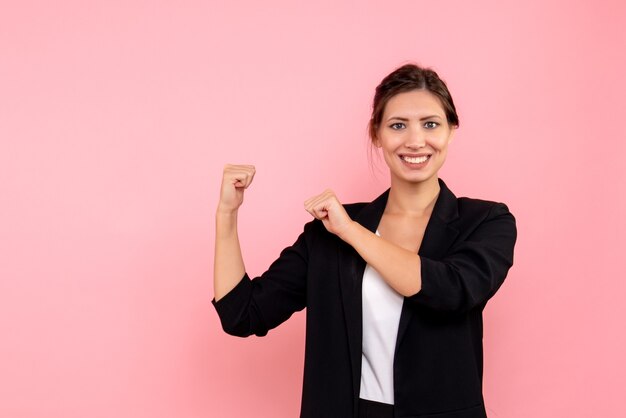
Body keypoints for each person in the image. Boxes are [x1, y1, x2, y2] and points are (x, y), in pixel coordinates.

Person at [212, 63, 517, 418]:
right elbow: (243, 314)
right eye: (398, 125)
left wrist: (352, 231)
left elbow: (451, 290)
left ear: (451, 130)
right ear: (377, 134)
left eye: (431, 124)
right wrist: (226, 216)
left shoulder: (486, 221)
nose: (415, 141)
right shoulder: (325, 235)